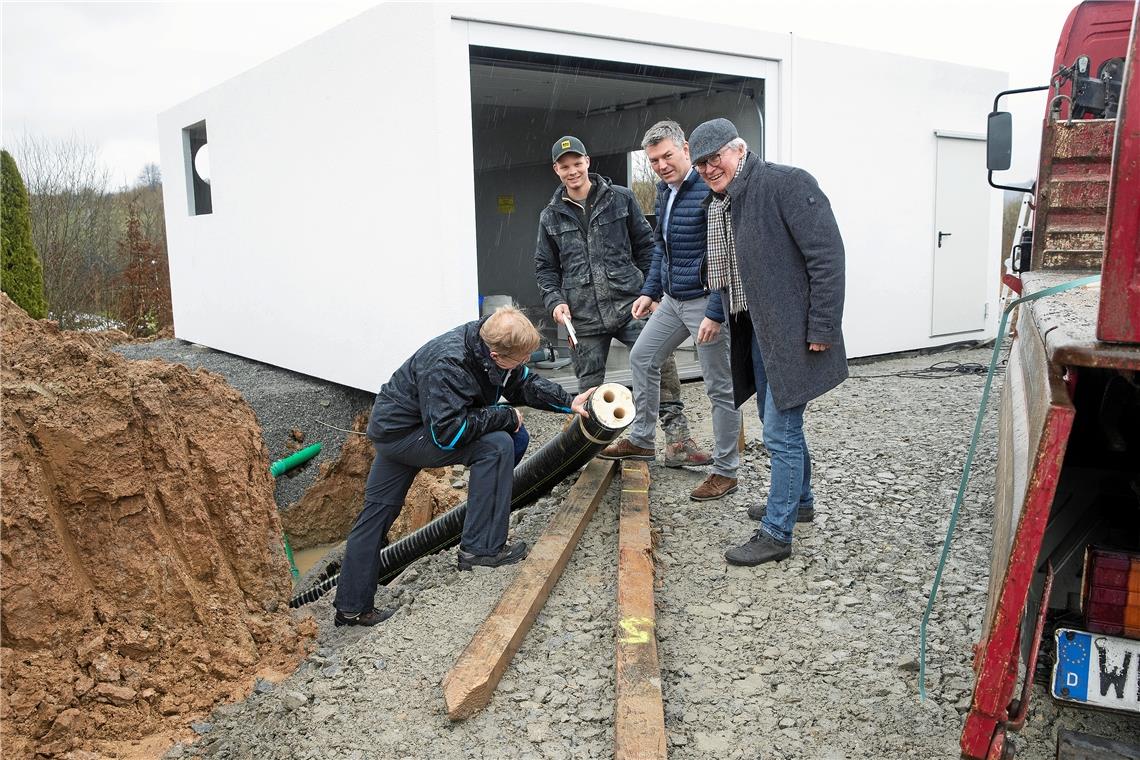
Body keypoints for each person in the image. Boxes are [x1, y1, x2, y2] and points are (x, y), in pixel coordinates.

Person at [332, 306, 593, 626]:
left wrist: (569, 401)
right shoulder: (448, 364)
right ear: (495, 354)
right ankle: (481, 549)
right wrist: (505, 416)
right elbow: (447, 433)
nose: (525, 363)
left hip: (395, 428)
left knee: (376, 515)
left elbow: (521, 382)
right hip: (408, 436)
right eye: (520, 358)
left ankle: (351, 606)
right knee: (498, 444)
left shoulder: (487, 339)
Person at [686, 117, 847, 566]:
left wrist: (822, 328)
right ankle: (801, 502)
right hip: (756, 327)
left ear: (738, 149)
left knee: (780, 430)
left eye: (714, 157)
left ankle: (777, 533)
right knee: (774, 417)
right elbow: (734, 273)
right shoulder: (724, 202)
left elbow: (828, 258)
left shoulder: (786, 183)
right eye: (700, 163)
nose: (708, 168)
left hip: (793, 331)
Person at [535, 135, 709, 466]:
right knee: (588, 389)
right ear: (556, 169)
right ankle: (585, 454)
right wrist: (555, 300)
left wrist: (653, 292)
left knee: (660, 362)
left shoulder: (621, 199)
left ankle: (677, 441)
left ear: (587, 161)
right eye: (565, 166)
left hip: (630, 304)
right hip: (583, 316)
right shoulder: (550, 217)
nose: (572, 171)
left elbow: (649, 247)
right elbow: (545, 267)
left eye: (577, 163)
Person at [598, 120, 740, 501]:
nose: (661, 165)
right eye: (654, 159)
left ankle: (726, 470)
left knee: (719, 387)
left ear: (687, 151)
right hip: (674, 300)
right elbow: (662, 247)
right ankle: (643, 439)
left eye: (667, 156)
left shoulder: (709, 191)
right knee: (643, 357)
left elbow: (724, 253)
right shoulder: (664, 191)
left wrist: (715, 309)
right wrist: (650, 290)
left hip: (707, 303)